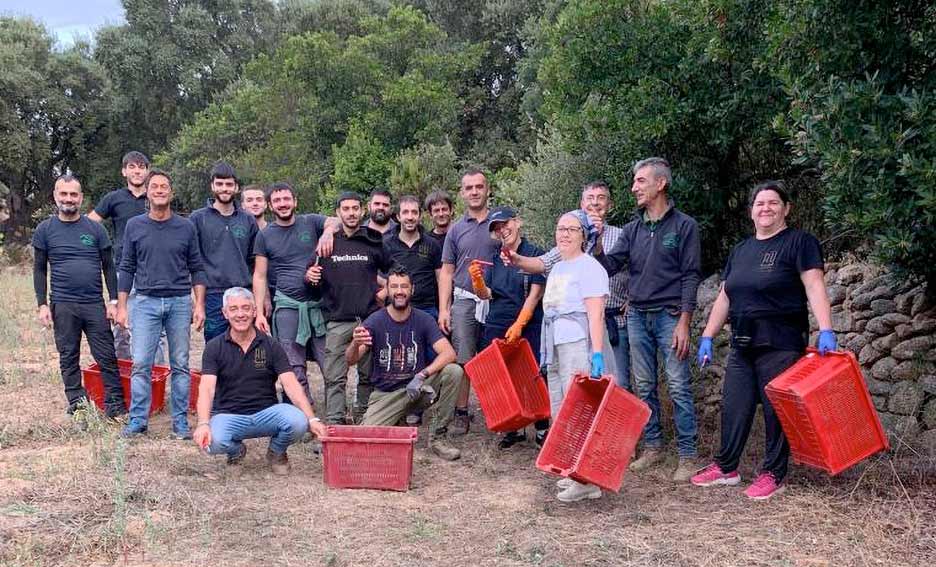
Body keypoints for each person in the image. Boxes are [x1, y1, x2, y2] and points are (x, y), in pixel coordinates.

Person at [691, 181, 836, 500]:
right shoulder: (741, 250)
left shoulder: (800, 242)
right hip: (743, 342)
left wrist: (826, 328)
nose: (766, 208)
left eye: (773, 202)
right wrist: (706, 336)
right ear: (751, 211)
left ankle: (774, 473)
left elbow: (814, 286)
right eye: (760, 203)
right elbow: (725, 296)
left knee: (776, 410)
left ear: (786, 209)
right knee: (735, 404)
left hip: (781, 341)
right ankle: (727, 467)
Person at [593, 158, 702, 482]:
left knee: (679, 385)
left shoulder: (685, 226)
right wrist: (597, 241)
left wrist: (684, 322)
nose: (634, 188)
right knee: (644, 386)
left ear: (660, 184)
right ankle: (653, 447)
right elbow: (608, 267)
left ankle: (688, 455)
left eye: (640, 181)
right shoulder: (632, 229)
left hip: (670, 317)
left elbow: (691, 276)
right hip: (637, 316)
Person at [501, 182, 631, 389]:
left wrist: (633, 298)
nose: (595, 203)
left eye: (601, 197)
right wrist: (516, 259)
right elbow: (541, 263)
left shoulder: (620, 235)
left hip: (610, 321)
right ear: (581, 203)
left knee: (616, 384)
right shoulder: (560, 261)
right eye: (561, 229)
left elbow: (636, 268)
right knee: (562, 395)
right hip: (560, 338)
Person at [193, 287, 328, 475]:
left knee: (298, 421)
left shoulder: (271, 345)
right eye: (233, 309)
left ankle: (276, 452)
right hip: (229, 415)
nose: (240, 314)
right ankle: (236, 452)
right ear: (225, 313)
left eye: (246, 308)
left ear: (255, 311)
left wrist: (312, 418)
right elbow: (206, 389)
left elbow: (290, 383)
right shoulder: (214, 348)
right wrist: (203, 424)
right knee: (210, 443)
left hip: (267, 413)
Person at [117, 169, 206, 439]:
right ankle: (137, 420)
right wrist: (122, 306)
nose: (158, 190)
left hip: (179, 302)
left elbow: (197, 267)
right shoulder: (135, 226)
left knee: (179, 364)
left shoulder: (186, 227)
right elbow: (127, 267)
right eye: (153, 186)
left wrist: (199, 305)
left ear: (171, 192)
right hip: (144, 302)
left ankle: (179, 422)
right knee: (142, 363)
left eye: (163, 186)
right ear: (146, 192)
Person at [346, 265, 463, 461]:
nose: (399, 291)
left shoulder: (423, 319)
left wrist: (422, 374)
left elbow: (449, 353)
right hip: (387, 394)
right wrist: (355, 343)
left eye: (404, 286)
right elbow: (351, 360)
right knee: (365, 440)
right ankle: (396, 421)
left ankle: (437, 437)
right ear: (388, 291)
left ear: (412, 290)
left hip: (418, 388)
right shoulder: (374, 321)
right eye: (394, 286)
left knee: (453, 371)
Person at [33, 175, 125, 419]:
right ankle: (78, 404)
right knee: (68, 356)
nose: (69, 199)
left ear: (81, 198)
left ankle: (115, 406)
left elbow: (109, 266)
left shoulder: (95, 229)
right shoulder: (45, 230)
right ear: (55, 196)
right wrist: (42, 304)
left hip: (94, 303)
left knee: (106, 356)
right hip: (62, 304)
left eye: (74, 194)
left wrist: (113, 301)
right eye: (64, 194)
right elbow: (40, 269)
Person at [540, 211, 615, 502]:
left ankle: (587, 481)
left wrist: (596, 354)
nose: (564, 234)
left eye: (572, 229)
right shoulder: (558, 268)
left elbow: (595, 315)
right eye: (560, 229)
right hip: (556, 346)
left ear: (584, 235)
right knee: (560, 410)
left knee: (580, 411)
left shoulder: (590, 268)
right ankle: (573, 470)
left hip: (577, 344)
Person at [307, 191, 392, 424]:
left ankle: (363, 418)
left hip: (369, 319)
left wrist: (385, 293)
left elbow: (395, 269)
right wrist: (309, 276)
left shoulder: (373, 239)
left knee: (368, 374)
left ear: (362, 210)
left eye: (355, 208)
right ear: (338, 213)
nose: (351, 213)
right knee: (335, 376)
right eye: (346, 209)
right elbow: (313, 282)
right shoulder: (328, 243)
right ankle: (335, 422)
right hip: (337, 320)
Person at [468, 206, 548, 448]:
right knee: (503, 376)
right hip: (497, 321)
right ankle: (512, 427)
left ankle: (542, 426)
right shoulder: (495, 259)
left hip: (528, 322)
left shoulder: (535, 254)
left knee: (532, 374)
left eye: (505, 224)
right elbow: (487, 295)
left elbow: (535, 295)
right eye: (497, 228)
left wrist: (520, 323)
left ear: (518, 221)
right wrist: (477, 282)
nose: (503, 231)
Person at [252, 183, 335, 406]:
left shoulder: (310, 222)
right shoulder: (265, 236)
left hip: (317, 305)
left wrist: (327, 233)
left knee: (329, 362)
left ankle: (337, 413)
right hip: (287, 307)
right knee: (294, 366)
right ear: (270, 206)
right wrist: (259, 313)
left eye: (286, 199)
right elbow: (259, 276)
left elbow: (336, 221)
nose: (283, 204)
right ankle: (305, 414)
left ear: (295, 201)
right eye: (277, 201)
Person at [438, 167, 500, 434]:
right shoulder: (455, 230)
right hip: (464, 301)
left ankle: (500, 414)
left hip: (497, 300)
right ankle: (461, 412)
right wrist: (444, 308)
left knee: (495, 358)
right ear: (462, 193)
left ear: (488, 190)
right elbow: (447, 272)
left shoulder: (500, 224)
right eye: (469, 188)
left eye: (479, 186)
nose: (475, 192)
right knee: (463, 359)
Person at [88, 151, 150, 359]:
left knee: (153, 327)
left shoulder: (155, 196)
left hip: (153, 269)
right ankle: (122, 373)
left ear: (147, 171)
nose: (137, 171)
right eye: (132, 167)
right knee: (123, 325)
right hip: (124, 268)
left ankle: (151, 375)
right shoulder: (114, 198)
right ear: (124, 171)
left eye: (141, 167)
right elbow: (88, 224)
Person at [190, 162, 259, 342]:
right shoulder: (197, 219)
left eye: (229, 184)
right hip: (213, 295)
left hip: (244, 292)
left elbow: (257, 264)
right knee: (216, 346)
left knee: (246, 345)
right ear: (212, 186)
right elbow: (192, 262)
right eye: (219, 184)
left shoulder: (248, 220)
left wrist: (261, 299)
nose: (224, 188)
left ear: (236, 187)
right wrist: (198, 303)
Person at [383, 195, 443, 320]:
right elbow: (374, 273)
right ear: (398, 216)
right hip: (395, 309)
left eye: (414, 212)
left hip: (427, 309)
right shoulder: (386, 244)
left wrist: (443, 311)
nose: (410, 217)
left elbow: (441, 280)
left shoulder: (432, 244)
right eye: (405, 212)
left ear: (420, 216)